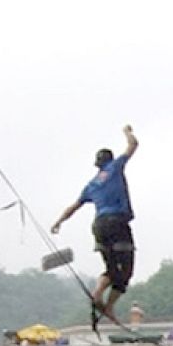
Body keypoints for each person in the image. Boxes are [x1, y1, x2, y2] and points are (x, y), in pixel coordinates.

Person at [51, 124, 140, 328]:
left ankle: (97, 293)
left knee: (110, 268)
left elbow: (74, 206)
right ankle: (109, 306)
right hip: (117, 223)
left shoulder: (91, 185)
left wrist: (58, 222)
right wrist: (126, 131)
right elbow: (133, 145)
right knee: (125, 271)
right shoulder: (115, 167)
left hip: (99, 226)